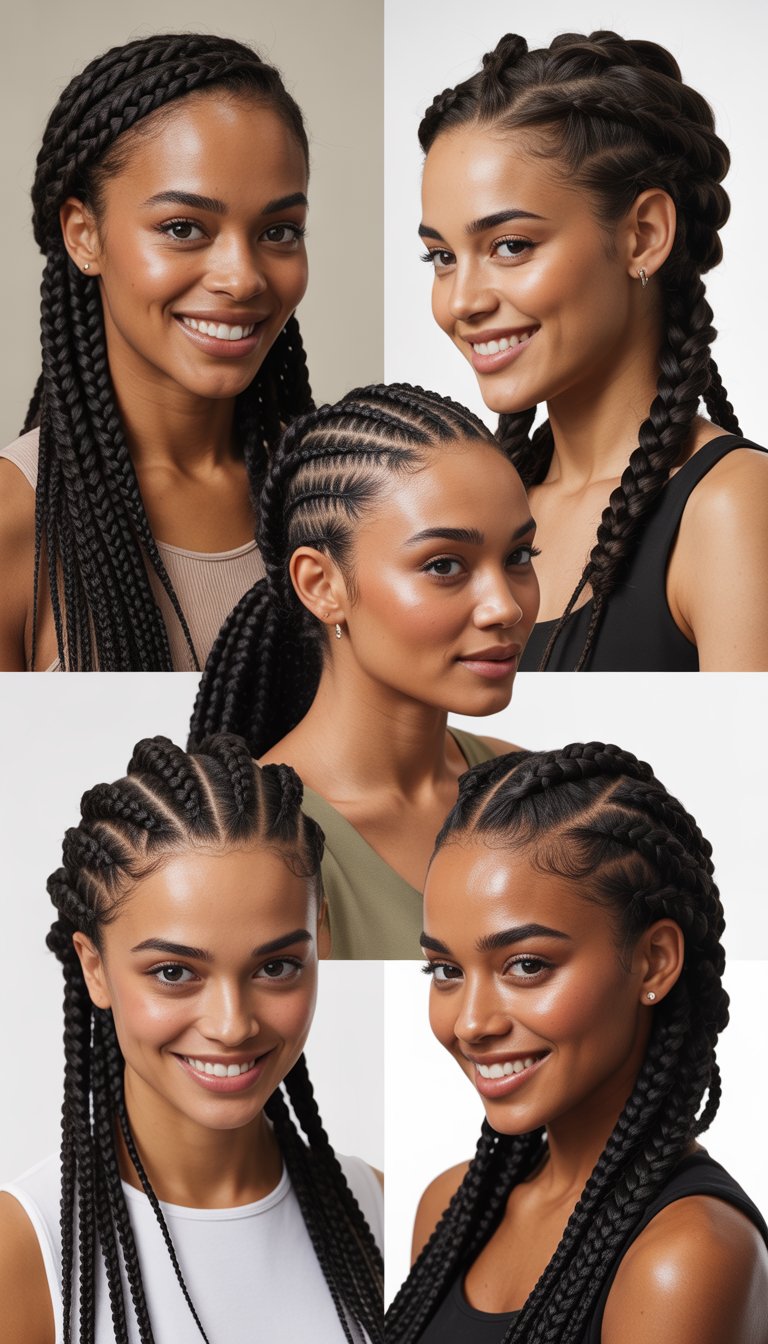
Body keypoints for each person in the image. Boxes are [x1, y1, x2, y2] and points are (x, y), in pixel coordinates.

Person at [0, 734, 383, 1343]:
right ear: (93, 966)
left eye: (276, 966)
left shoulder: (383, 1212)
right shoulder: (24, 1253)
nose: (232, 1026)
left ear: (322, 941)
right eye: (174, 973)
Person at [386, 742, 768, 1343]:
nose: (470, 1023)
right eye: (446, 970)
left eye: (527, 965)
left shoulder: (684, 1256)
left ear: (654, 961)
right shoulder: (450, 1208)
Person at [417, 31, 768, 670]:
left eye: (510, 245)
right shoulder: (479, 510)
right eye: (442, 257)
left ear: (643, 235)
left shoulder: (732, 508)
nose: (460, 301)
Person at [0, 32, 313, 671]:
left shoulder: (335, 495)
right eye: (183, 228)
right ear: (84, 235)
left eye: (278, 231)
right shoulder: (13, 522)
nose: (243, 277)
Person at [191, 383, 539, 958]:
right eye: (445, 564)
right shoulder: (255, 847)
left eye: (519, 556)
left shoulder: (527, 786)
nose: (506, 606)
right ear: (322, 586)